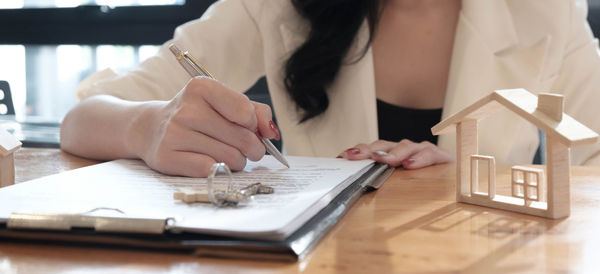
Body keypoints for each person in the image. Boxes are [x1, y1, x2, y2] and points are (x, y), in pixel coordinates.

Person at [61, 0, 600, 177]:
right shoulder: (277, 5)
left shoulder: (546, 11)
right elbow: (83, 117)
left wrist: (479, 183)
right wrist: (148, 125)